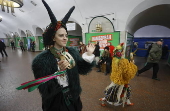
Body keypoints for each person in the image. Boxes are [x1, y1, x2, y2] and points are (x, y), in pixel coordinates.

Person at [31, 0, 95, 111]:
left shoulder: (72, 52)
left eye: (66, 35)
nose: (65, 38)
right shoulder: (40, 60)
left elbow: (83, 70)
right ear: (53, 37)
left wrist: (89, 54)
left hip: (74, 96)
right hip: (55, 101)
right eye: (61, 35)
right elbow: (44, 88)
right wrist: (58, 73)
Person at [99, 43, 137, 107]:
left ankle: (127, 101)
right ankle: (104, 99)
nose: (122, 52)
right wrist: (132, 64)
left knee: (124, 90)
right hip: (120, 80)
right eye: (121, 51)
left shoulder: (114, 59)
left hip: (116, 79)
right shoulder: (122, 61)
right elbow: (127, 73)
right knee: (114, 93)